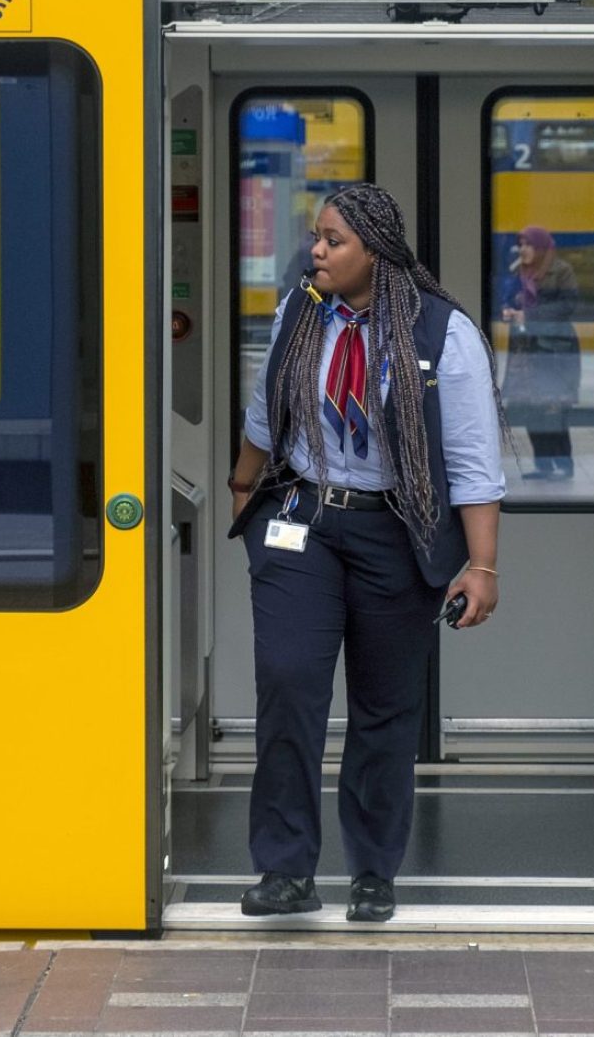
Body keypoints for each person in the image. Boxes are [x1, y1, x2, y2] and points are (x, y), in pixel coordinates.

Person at [227, 183, 506, 922]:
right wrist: (243, 498)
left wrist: (481, 566)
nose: (316, 251)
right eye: (316, 237)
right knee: (288, 683)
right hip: (304, 523)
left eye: (333, 241)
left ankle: (374, 871)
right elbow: (264, 416)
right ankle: (285, 870)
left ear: (376, 254)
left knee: (385, 708)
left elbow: (474, 460)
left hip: (396, 532)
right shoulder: (300, 313)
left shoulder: (443, 333)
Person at [500, 225, 580, 479]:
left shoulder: (561, 270)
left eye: (528, 244)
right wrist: (508, 311)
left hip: (554, 349)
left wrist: (529, 315)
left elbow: (568, 306)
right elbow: (509, 298)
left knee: (552, 408)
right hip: (526, 350)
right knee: (530, 408)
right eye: (520, 244)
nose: (523, 249)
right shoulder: (518, 272)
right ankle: (543, 466)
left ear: (541, 247)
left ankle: (564, 465)